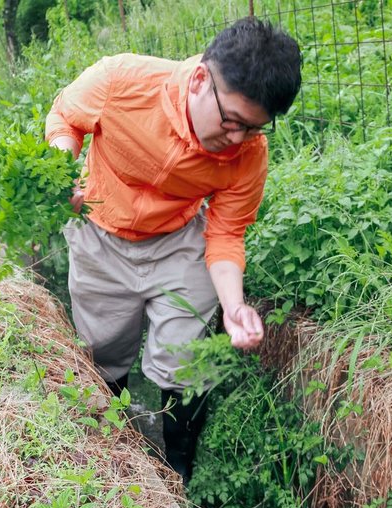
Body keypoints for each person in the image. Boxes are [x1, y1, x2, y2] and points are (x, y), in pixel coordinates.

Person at [45, 17, 302, 483]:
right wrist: (62, 168)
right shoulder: (121, 81)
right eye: (232, 122)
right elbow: (66, 117)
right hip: (101, 230)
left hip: (179, 241)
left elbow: (225, 234)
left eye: (255, 129)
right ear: (201, 79)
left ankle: (179, 469)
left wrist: (234, 305)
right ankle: (115, 455)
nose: (238, 140)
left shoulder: (249, 153)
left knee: (184, 363)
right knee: (103, 350)